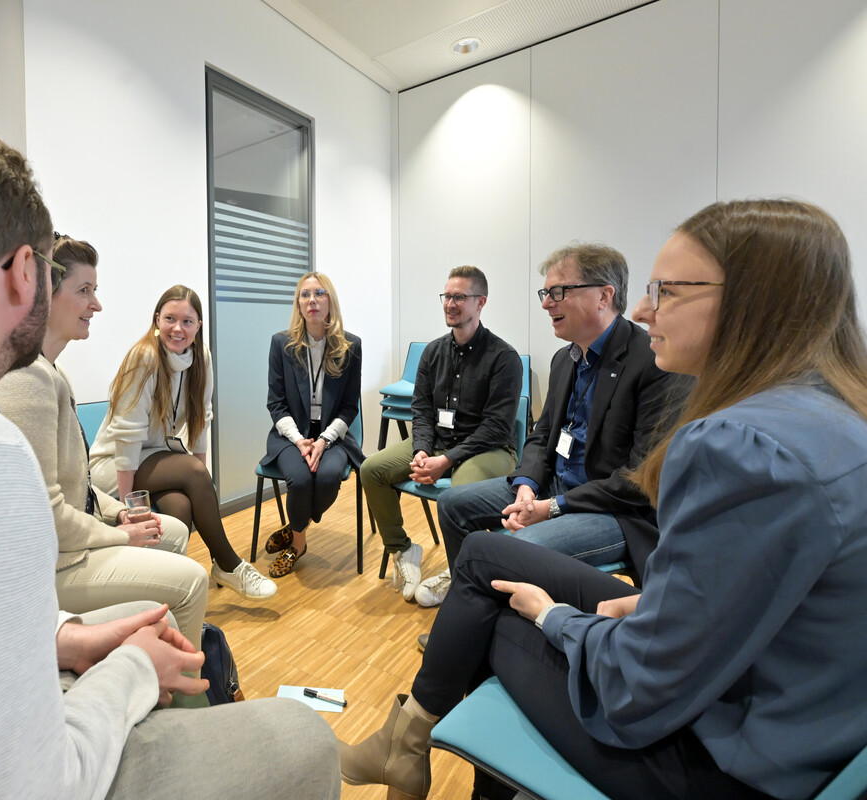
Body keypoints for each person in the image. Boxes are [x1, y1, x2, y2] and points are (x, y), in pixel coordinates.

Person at [339, 199, 867, 800]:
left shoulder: (733, 437)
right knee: (479, 548)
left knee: (487, 601)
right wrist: (528, 487)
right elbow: (537, 438)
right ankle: (419, 739)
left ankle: (426, 748)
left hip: (717, 748)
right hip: (782, 716)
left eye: (666, 291)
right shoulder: (832, 415)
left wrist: (552, 613)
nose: (646, 309)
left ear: (750, 302)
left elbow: (640, 674)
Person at [0, 129, 340, 798]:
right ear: (25, 273)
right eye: (84, 288)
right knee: (304, 738)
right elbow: (35, 777)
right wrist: (133, 672)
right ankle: (217, 608)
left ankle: (220, 595)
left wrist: (63, 637)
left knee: (179, 506)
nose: (94, 304)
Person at [415, 244, 686, 609]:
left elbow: (639, 479)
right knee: (451, 505)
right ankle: (471, 607)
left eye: (559, 292)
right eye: (546, 293)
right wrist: (527, 485)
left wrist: (553, 507)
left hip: (614, 510)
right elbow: (542, 436)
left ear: (604, 295)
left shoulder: (652, 362)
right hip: (552, 487)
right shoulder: (565, 359)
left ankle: (477, 624)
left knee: (510, 551)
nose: (546, 304)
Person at [0, 234, 208, 651]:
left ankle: (148, 649)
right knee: (193, 581)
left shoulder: (52, 373)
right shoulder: (25, 379)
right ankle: (184, 694)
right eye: (84, 291)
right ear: (43, 296)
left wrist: (119, 514)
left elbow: (81, 489)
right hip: (54, 565)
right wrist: (120, 535)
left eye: (95, 291)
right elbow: (47, 516)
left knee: (172, 530)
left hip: (72, 540)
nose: (97, 304)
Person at [89, 285, 276, 601]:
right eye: (170, 319)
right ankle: (228, 565)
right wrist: (127, 507)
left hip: (158, 460)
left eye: (187, 321)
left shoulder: (200, 357)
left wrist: (196, 482)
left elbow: (201, 420)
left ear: (199, 325)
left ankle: (166, 591)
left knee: (182, 505)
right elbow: (127, 438)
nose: (178, 328)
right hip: (114, 465)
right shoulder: (144, 357)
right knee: (192, 472)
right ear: (156, 320)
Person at [361, 266, 522, 601]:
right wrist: (422, 450)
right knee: (371, 469)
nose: (451, 303)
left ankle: (460, 570)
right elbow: (421, 410)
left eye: (459, 297)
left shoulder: (504, 358)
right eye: (447, 296)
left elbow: (497, 426)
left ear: (481, 302)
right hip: (437, 443)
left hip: (489, 449)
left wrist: (446, 460)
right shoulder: (432, 353)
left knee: (457, 497)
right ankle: (404, 550)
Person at [259, 272, 363, 577]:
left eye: (319, 293)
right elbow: (275, 402)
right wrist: (299, 440)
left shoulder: (350, 346)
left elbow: (348, 407)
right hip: (291, 434)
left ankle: (294, 526)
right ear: (298, 304)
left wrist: (323, 441)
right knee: (301, 480)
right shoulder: (282, 344)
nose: (312, 300)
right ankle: (298, 544)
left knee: (328, 476)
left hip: (332, 435)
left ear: (330, 301)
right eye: (305, 295)